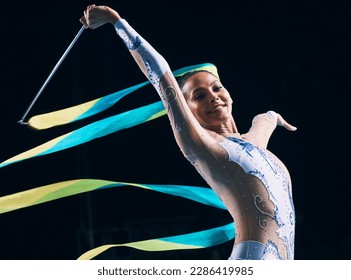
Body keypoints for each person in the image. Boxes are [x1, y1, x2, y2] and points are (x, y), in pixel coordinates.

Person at [80, 4, 297, 260]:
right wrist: (116, 22)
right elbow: (161, 76)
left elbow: (263, 122)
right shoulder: (203, 145)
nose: (213, 98)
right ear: (187, 110)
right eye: (200, 96)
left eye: (217, 88)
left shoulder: (254, 142)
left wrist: (272, 117)